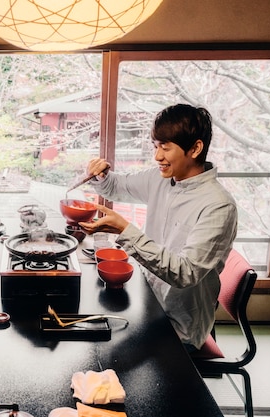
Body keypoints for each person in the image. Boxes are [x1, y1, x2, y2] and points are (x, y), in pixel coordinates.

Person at [79, 104, 238, 351]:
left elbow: (184, 273)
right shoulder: (161, 179)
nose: (157, 156)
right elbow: (115, 187)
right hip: (147, 300)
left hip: (178, 326)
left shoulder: (218, 206)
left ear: (195, 148)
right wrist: (101, 174)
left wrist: (125, 231)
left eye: (165, 147)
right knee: (91, 333)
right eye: (155, 146)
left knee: (104, 350)